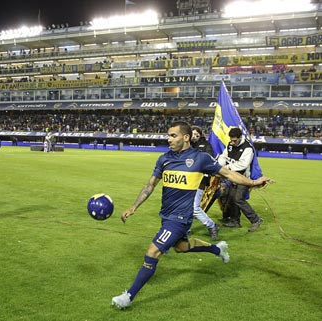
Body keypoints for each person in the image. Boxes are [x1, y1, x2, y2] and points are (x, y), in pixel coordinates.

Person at [111, 122, 274, 310]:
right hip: (166, 215)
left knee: (152, 252)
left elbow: (228, 174)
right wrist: (134, 207)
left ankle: (128, 297)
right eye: (168, 135)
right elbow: (150, 185)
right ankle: (217, 250)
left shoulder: (200, 159)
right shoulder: (164, 159)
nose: (168, 139)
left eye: (173, 135)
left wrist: (253, 182)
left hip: (180, 218)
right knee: (182, 247)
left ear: (186, 137)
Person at [218, 127, 263, 232]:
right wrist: (220, 165)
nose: (232, 142)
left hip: (243, 178)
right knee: (231, 198)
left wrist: (227, 168)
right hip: (233, 177)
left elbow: (243, 165)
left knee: (239, 199)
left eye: (235, 140)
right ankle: (235, 221)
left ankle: (255, 220)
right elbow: (223, 156)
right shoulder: (229, 145)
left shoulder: (248, 148)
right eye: (231, 140)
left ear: (240, 137)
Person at [191, 126, 219, 240]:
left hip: (200, 179)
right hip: (187, 179)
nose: (194, 136)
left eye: (196, 134)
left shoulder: (206, 146)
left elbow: (209, 160)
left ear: (200, 134)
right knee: (186, 206)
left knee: (194, 208)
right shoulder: (186, 145)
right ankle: (186, 229)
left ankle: (212, 226)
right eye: (192, 134)